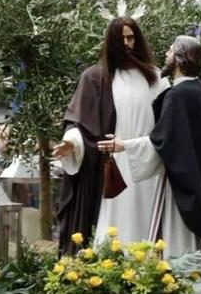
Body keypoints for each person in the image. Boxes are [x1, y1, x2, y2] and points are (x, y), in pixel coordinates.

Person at [95, 35, 201, 256]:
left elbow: (165, 143)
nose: (166, 55)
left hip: (183, 181)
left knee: (178, 235)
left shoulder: (178, 95)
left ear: (179, 59)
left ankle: (183, 273)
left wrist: (125, 146)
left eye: (170, 51)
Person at [53, 17, 162, 251]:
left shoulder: (156, 78)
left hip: (148, 165)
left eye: (131, 37)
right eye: (121, 38)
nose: (126, 43)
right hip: (112, 169)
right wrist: (71, 143)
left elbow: (167, 127)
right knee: (113, 230)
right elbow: (81, 125)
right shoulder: (95, 78)